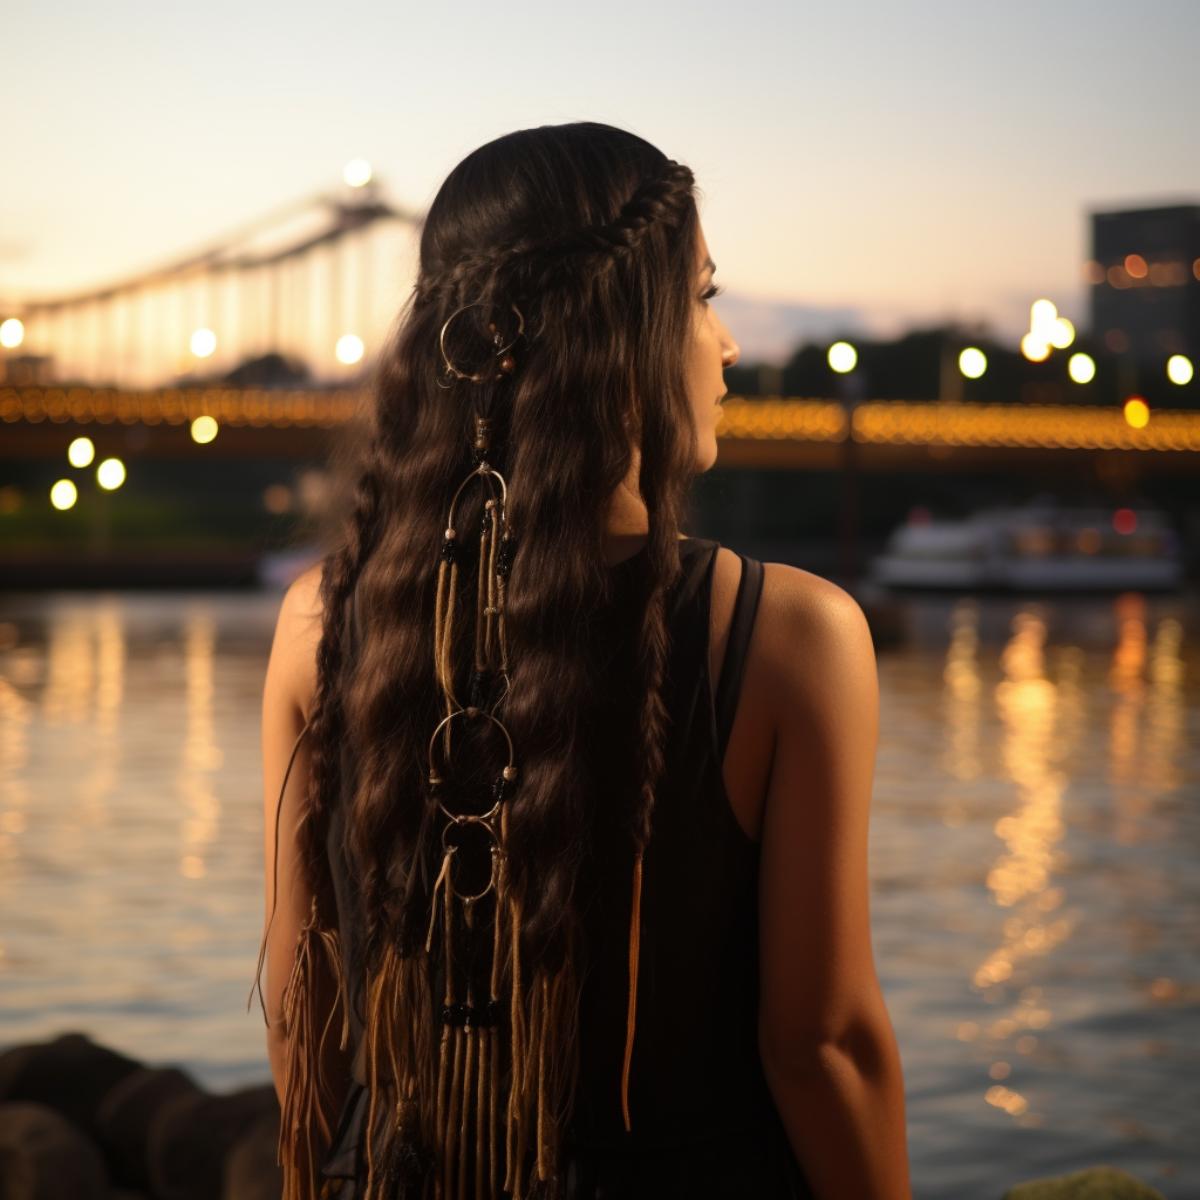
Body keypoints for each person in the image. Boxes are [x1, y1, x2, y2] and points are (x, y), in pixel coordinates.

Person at [250, 121, 912, 1199]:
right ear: (622, 329)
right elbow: (822, 1044)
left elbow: (302, 1012)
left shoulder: (314, 627)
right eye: (701, 298)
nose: (729, 345)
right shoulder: (791, 636)